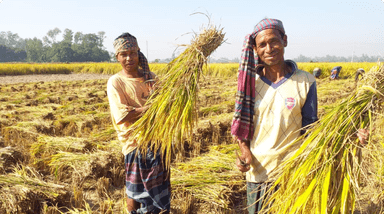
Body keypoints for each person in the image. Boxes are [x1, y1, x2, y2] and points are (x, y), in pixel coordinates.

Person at [231, 18, 370, 214]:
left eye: (274, 41)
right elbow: (242, 127)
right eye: (262, 44)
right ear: (255, 49)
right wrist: (244, 150)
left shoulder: (305, 81)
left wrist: (348, 135)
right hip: (258, 174)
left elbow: (312, 128)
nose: (269, 48)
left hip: (293, 172)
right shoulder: (249, 83)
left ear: (284, 40)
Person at [107, 33, 170, 214]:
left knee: (159, 193)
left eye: (132, 53)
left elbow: (166, 108)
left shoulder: (152, 77)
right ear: (117, 57)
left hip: (157, 143)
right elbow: (123, 116)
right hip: (134, 144)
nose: (129, 58)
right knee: (135, 191)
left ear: (138, 52)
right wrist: (153, 108)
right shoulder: (116, 82)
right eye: (124, 54)